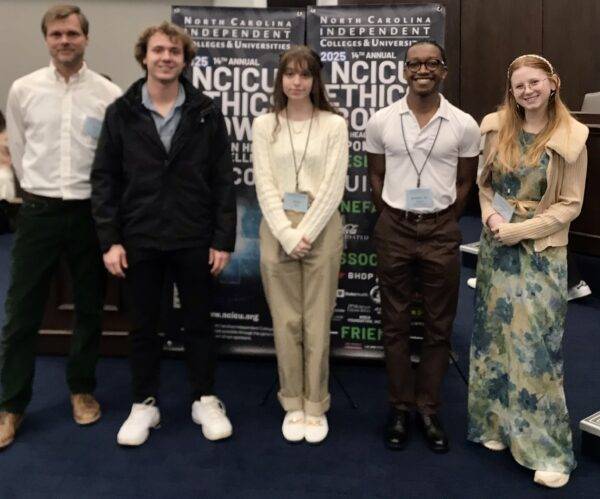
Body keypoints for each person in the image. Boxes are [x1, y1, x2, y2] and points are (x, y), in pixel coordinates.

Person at [91, 22, 236, 446]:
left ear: (185, 60)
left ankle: (204, 398)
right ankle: (144, 403)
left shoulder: (206, 112)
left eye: (175, 51)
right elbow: (104, 180)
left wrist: (222, 239)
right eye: (159, 50)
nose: (166, 57)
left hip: (194, 236)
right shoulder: (121, 112)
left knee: (198, 324)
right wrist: (110, 239)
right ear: (144, 56)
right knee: (143, 326)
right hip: (140, 237)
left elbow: (224, 180)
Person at [0, 4, 121, 450]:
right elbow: (19, 144)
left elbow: (113, 160)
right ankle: (11, 405)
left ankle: (81, 389)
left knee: (90, 307)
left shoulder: (109, 93)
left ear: (86, 38)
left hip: (90, 214)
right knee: (21, 313)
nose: (64, 41)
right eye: (56, 34)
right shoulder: (23, 89)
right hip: (39, 212)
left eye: (72, 33)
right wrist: (35, 193)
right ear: (46, 39)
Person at [467, 54, 588, 488]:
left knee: (535, 345)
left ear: (553, 83)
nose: (527, 91)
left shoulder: (572, 136)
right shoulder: (496, 126)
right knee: (495, 338)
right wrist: (490, 219)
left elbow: (570, 205)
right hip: (497, 244)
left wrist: (523, 230)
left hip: (540, 250)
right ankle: (497, 425)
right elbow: (485, 186)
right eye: (519, 85)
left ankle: (547, 450)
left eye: (535, 82)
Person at [366, 41, 480, 453]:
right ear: (404, 71)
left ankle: (428, 408)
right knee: (394, 326)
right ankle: (399, 407)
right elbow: (375, 175)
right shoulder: (381, 121)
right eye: (415, 63)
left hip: (440, 232)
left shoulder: (464, 124)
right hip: (394, 228)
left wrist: (445, 220)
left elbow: (466, 182)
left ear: (444, 70)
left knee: (438, 325)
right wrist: (394, 215)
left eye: (432, 63)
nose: (423, 70)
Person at [252, 46, 348, 444]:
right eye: (289, 74)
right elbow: (264, 183)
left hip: (321, 225)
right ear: (280, 79)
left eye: (304, 75)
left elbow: (333, 184)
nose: (296, 81)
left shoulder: (333, 124)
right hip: (277, 229)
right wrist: (287, 233)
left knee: (316, 320)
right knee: (286, 320)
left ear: (315, 80)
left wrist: (305, 229)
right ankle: (292, 402)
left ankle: (315, 404)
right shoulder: (263, 124)